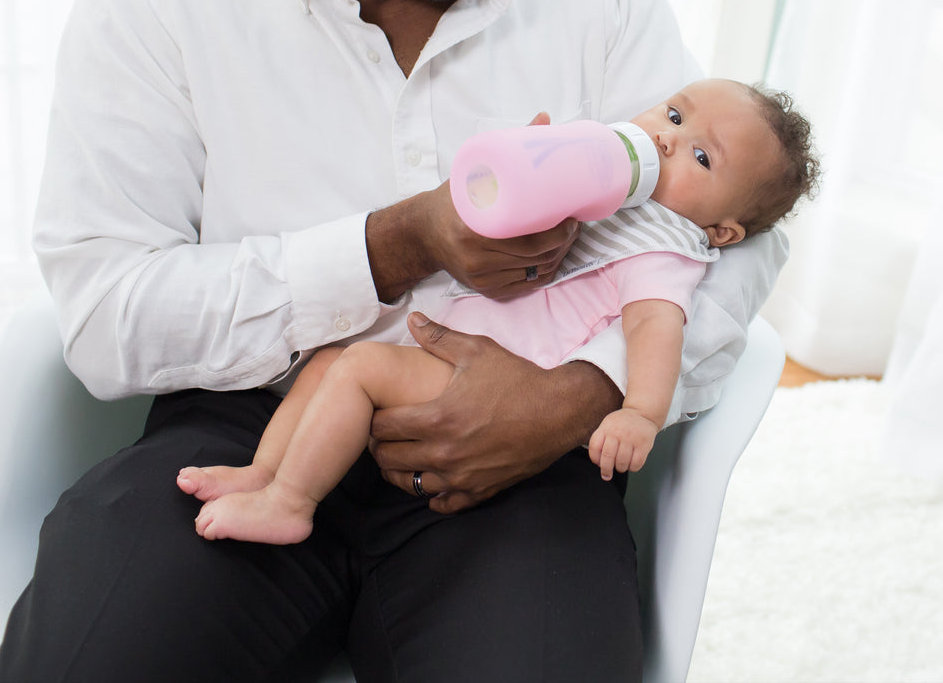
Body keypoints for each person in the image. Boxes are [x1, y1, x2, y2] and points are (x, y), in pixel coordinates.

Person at [0, 0, 789, 683]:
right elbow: (106, 313)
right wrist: (396, 242)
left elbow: (741, 236)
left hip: (517, 444)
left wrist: (585, 394)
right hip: (253, 426)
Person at [178, 79, 818, 543]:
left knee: (358, 369)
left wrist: (641, 412)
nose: (667, 141)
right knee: (329, 362)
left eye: (702, 158)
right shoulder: (611, 199)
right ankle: (262, 473)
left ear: (725, 231)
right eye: (674, 114)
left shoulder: (664, 248)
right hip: (451, 343)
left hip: (497, 379)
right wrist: (540, 162)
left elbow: (657, 327)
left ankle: (290, 504)